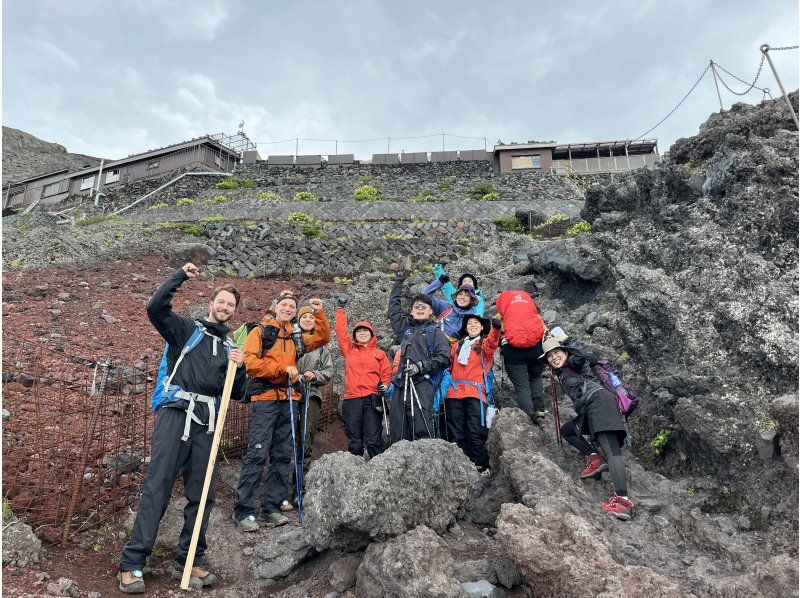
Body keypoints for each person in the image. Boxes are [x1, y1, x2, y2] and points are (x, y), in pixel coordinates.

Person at [118, 263, 248, 594]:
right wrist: (179, 277)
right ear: (212, 304)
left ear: (234, 311)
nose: (224, 308)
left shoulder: (228, 347)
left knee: (202, 494)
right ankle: (132, 564)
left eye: (230, 305)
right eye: (221, 302)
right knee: (158, 486)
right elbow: (155, 308)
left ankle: (189, 561)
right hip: (176, 414)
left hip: (207, 421)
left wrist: (241, 369)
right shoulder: (186, 330)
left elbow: (237, 393)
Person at [232, 292, 330, 531]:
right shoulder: (260, 332)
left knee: (282, 454)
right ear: (275, 307)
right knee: (257, 453)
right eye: (284, 304)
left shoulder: (296, 336)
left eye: (292, 306)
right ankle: (243, 510)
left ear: (295, 313)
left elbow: (322, 338)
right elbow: (250, 362)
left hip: (289, 400)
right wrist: (281, 368)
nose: (288, 308)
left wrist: (318, 313)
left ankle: (271, 507)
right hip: (265, 400)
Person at [540, 336, 634, 521]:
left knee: (612, 451)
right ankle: (595, 459)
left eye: (556, 353)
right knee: (567, 430)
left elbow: (586, 356)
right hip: (590, 408)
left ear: (565, 352)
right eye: (549, 356)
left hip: (600, 403)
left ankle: (623, 502)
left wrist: (568, 340)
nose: (553, 358)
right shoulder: (563, 372)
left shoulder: (576, 362)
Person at [281, 304, 334, 511]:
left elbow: (328, 371)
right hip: (289, 395)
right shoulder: (288, 340)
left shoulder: (321, 347)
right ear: (298, 320)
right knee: (287, 440)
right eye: (304, 317)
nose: (308, 320)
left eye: (312, 317)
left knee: (305, 440)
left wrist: (315, 375)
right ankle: (282, 492)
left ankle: (299, 491)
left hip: (311, 394)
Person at [387, 273, 451, 442]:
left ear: (431, 312)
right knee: (397, 428)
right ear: (412, 311)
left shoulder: (435, 332)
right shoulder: (406, 330)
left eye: (424, 307)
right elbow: (393, 310)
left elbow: (444, 358)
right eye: (416, 307)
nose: (420, 309)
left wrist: (420, 367)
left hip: (423, 383)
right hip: (401, 384)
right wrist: (399, 281)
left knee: (421, 427)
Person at [335, 298, 392, 458]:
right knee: (355, 441)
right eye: (359, 331)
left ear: (372, 334)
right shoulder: (349, 351)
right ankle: (355, 475)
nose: (362, 333)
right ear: (355, 335)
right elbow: (340, 333)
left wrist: (385, 385)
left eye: (366, 330)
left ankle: (378, 474)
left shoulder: (380, 353)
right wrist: (340, 310)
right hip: (351, 399)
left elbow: (386, 373)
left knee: (374, 440)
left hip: (372, 399)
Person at [445, 314, 501, 471]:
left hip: (475, 392)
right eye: (470, 323)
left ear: (482, 327)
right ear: (465, 327)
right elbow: (447, 366)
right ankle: (461, 468)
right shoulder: (456, 347)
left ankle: (482, 466)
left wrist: (496, 328)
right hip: (454, 393)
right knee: (456, 432)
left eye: (476, 323)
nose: (473, 325)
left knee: (475, 431)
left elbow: (493, 342)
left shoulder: (484, 346)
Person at [495, 289, 547, 424]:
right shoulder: (533, 313)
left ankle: (529, 417)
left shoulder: (501, 315)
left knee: (522, 387)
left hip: (513, 352)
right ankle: (540, 410)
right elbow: (544, 330)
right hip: (535, 350)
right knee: (535, 378)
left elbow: (495, 334)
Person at [422, 277, 480, 345]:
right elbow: (424, 297)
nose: (462, 297)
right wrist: (439, 282)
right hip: (432, 344)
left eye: (467, 295)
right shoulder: (445, 306)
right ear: (456, 296)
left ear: (472, 300)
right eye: (460, 294)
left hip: (454, 352)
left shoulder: (474, 318)